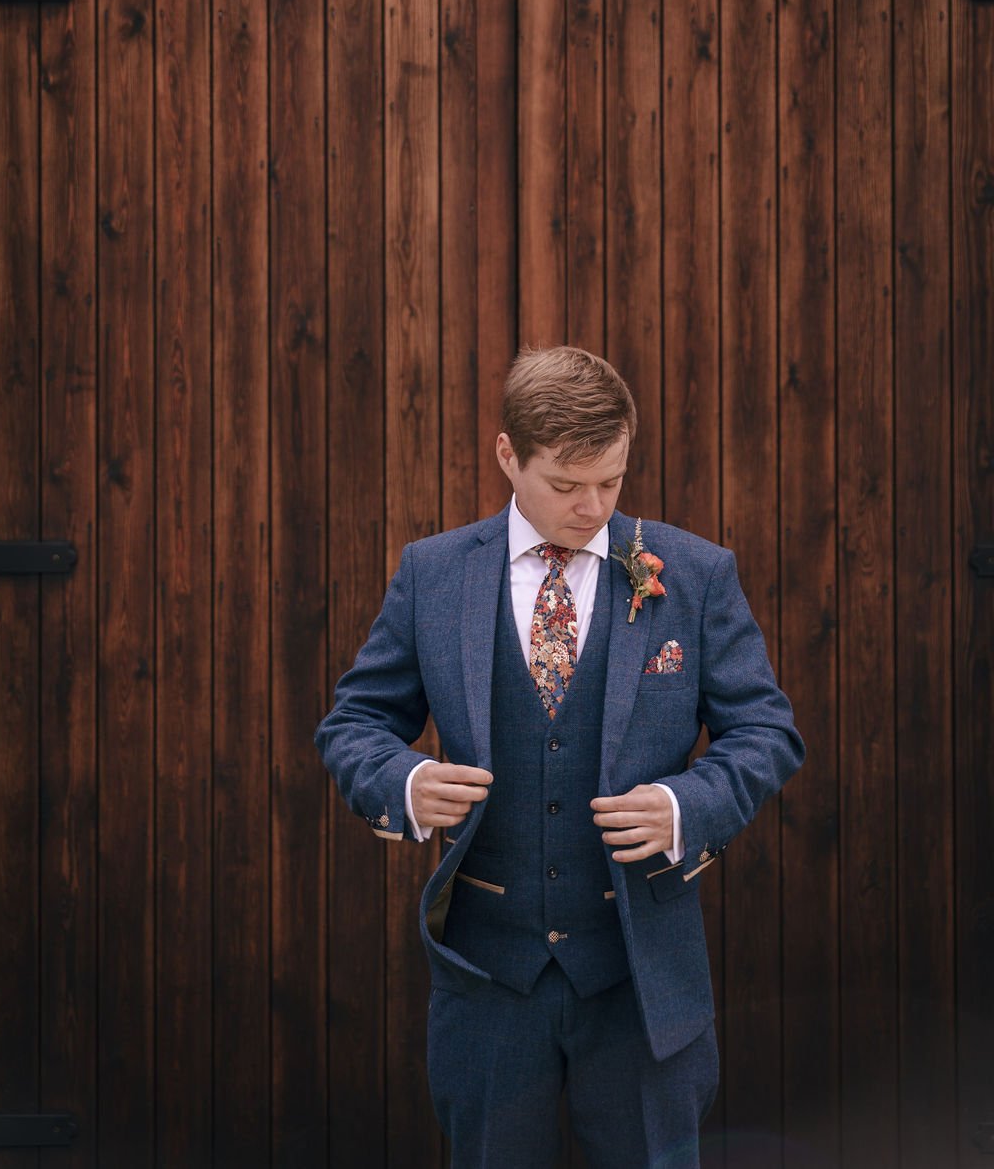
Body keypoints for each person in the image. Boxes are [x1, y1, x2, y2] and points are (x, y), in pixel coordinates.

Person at [315, 345, 804, 1168]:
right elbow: (355, 720)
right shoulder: (433, 574)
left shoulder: (691, 572)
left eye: (610, 482)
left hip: (641, 976)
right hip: (488, 973)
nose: (592, 506)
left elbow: (767, 730)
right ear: (509, 454)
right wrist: (405, 780)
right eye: (566, 484)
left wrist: (687, 804)